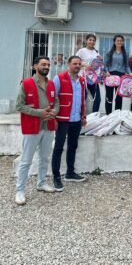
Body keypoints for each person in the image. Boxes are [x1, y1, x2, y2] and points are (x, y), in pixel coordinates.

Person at [15, 56, 59, 205]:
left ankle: (41, 183)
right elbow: (19, 106)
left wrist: (53, 112)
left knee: (44, 158)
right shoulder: (26, 83)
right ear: (35, 66)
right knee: (26, 161)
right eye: (43, 64)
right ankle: (20, 191)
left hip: (48, 127)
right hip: (32, 127)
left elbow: (56, 103)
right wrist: (40, 113)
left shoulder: (51, 84)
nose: (46, 66)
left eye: (48, 64)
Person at [51, 56, 87, 191]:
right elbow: (53, 98)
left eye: (79, 63)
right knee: (59, 147)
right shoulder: (59, 78)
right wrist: (53, 117)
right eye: (74, 63)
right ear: (69, 64)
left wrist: (83, 116)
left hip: (76, 120)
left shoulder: (82, 81)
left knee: (73, 146)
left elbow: (82, 100)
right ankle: (56, 176)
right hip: (62, 119)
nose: (77, 65)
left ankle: (70, 173)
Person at [104, 35, 131, 115]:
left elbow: (127, 65)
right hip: (110, 75)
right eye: (118, 40)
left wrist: (130, 73)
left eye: (121, 41)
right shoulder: (109, 52)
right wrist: (107, 71)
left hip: (121, 76)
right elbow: (105, 64)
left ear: (122, 42)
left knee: (119, 97)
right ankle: (108, 115)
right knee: (109, 96)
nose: (119, 42)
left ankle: (117, 115)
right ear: (114, 42)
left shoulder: (125, 53)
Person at [76, 34, 103, 112]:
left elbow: (99, 65)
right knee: (83, 98)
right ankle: (80, 117)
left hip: (93, 79)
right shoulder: (81, 51)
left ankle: (94, 117)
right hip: (83, 77)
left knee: (97, 99)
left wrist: (100, 61)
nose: (92, 42)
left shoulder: (96, 52)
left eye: (93, 40)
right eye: (90, 40)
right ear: (86, 41)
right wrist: (83, 64)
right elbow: (75, 61)